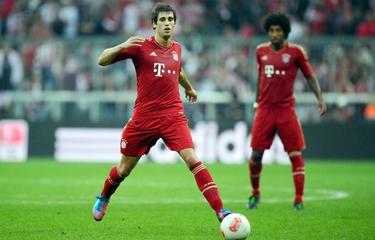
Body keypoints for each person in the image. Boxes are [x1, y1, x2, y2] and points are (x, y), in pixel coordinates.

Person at [92, 3, 231, 222]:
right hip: (144, 118)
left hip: (172, 116)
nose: (167, 24)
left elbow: (177, 70)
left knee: (193, 159)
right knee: (123, 170)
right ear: (154, 24)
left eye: (170, 20)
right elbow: (102, 60)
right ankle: (103, 197)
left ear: (175, 23)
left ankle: (221, 210)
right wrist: (122, 46)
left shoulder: (177, 49)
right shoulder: (139, 46)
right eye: (163, 20)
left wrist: (188, 87)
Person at [247, 13, 327, 211]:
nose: (274, 34)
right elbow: (260, 77)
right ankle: (255, 194)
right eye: (271, 30)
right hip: (264, 110)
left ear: (285, 32)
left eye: (278, 30)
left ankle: (298, 199)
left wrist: (320, 98)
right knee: (256, 155)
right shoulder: (261, 51)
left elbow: (310, 76)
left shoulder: (296, 53)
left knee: (294, 154)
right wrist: (256, 100)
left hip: (286, 110)